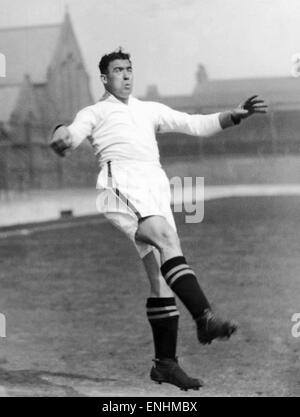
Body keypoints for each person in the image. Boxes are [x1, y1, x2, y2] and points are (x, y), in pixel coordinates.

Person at [50, 48, 268, 391]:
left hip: (153, 190)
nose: (125, 75)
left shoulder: (149, 110)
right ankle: (205, 318)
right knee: (167, 239)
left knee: (162, 278)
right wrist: (61, 134)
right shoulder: (94, 112)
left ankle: (165, 364)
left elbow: (194, 124)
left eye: (129, 69)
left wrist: (234, 115)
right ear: (105, 78)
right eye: (118, 70)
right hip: (119, 187)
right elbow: (72, 133)